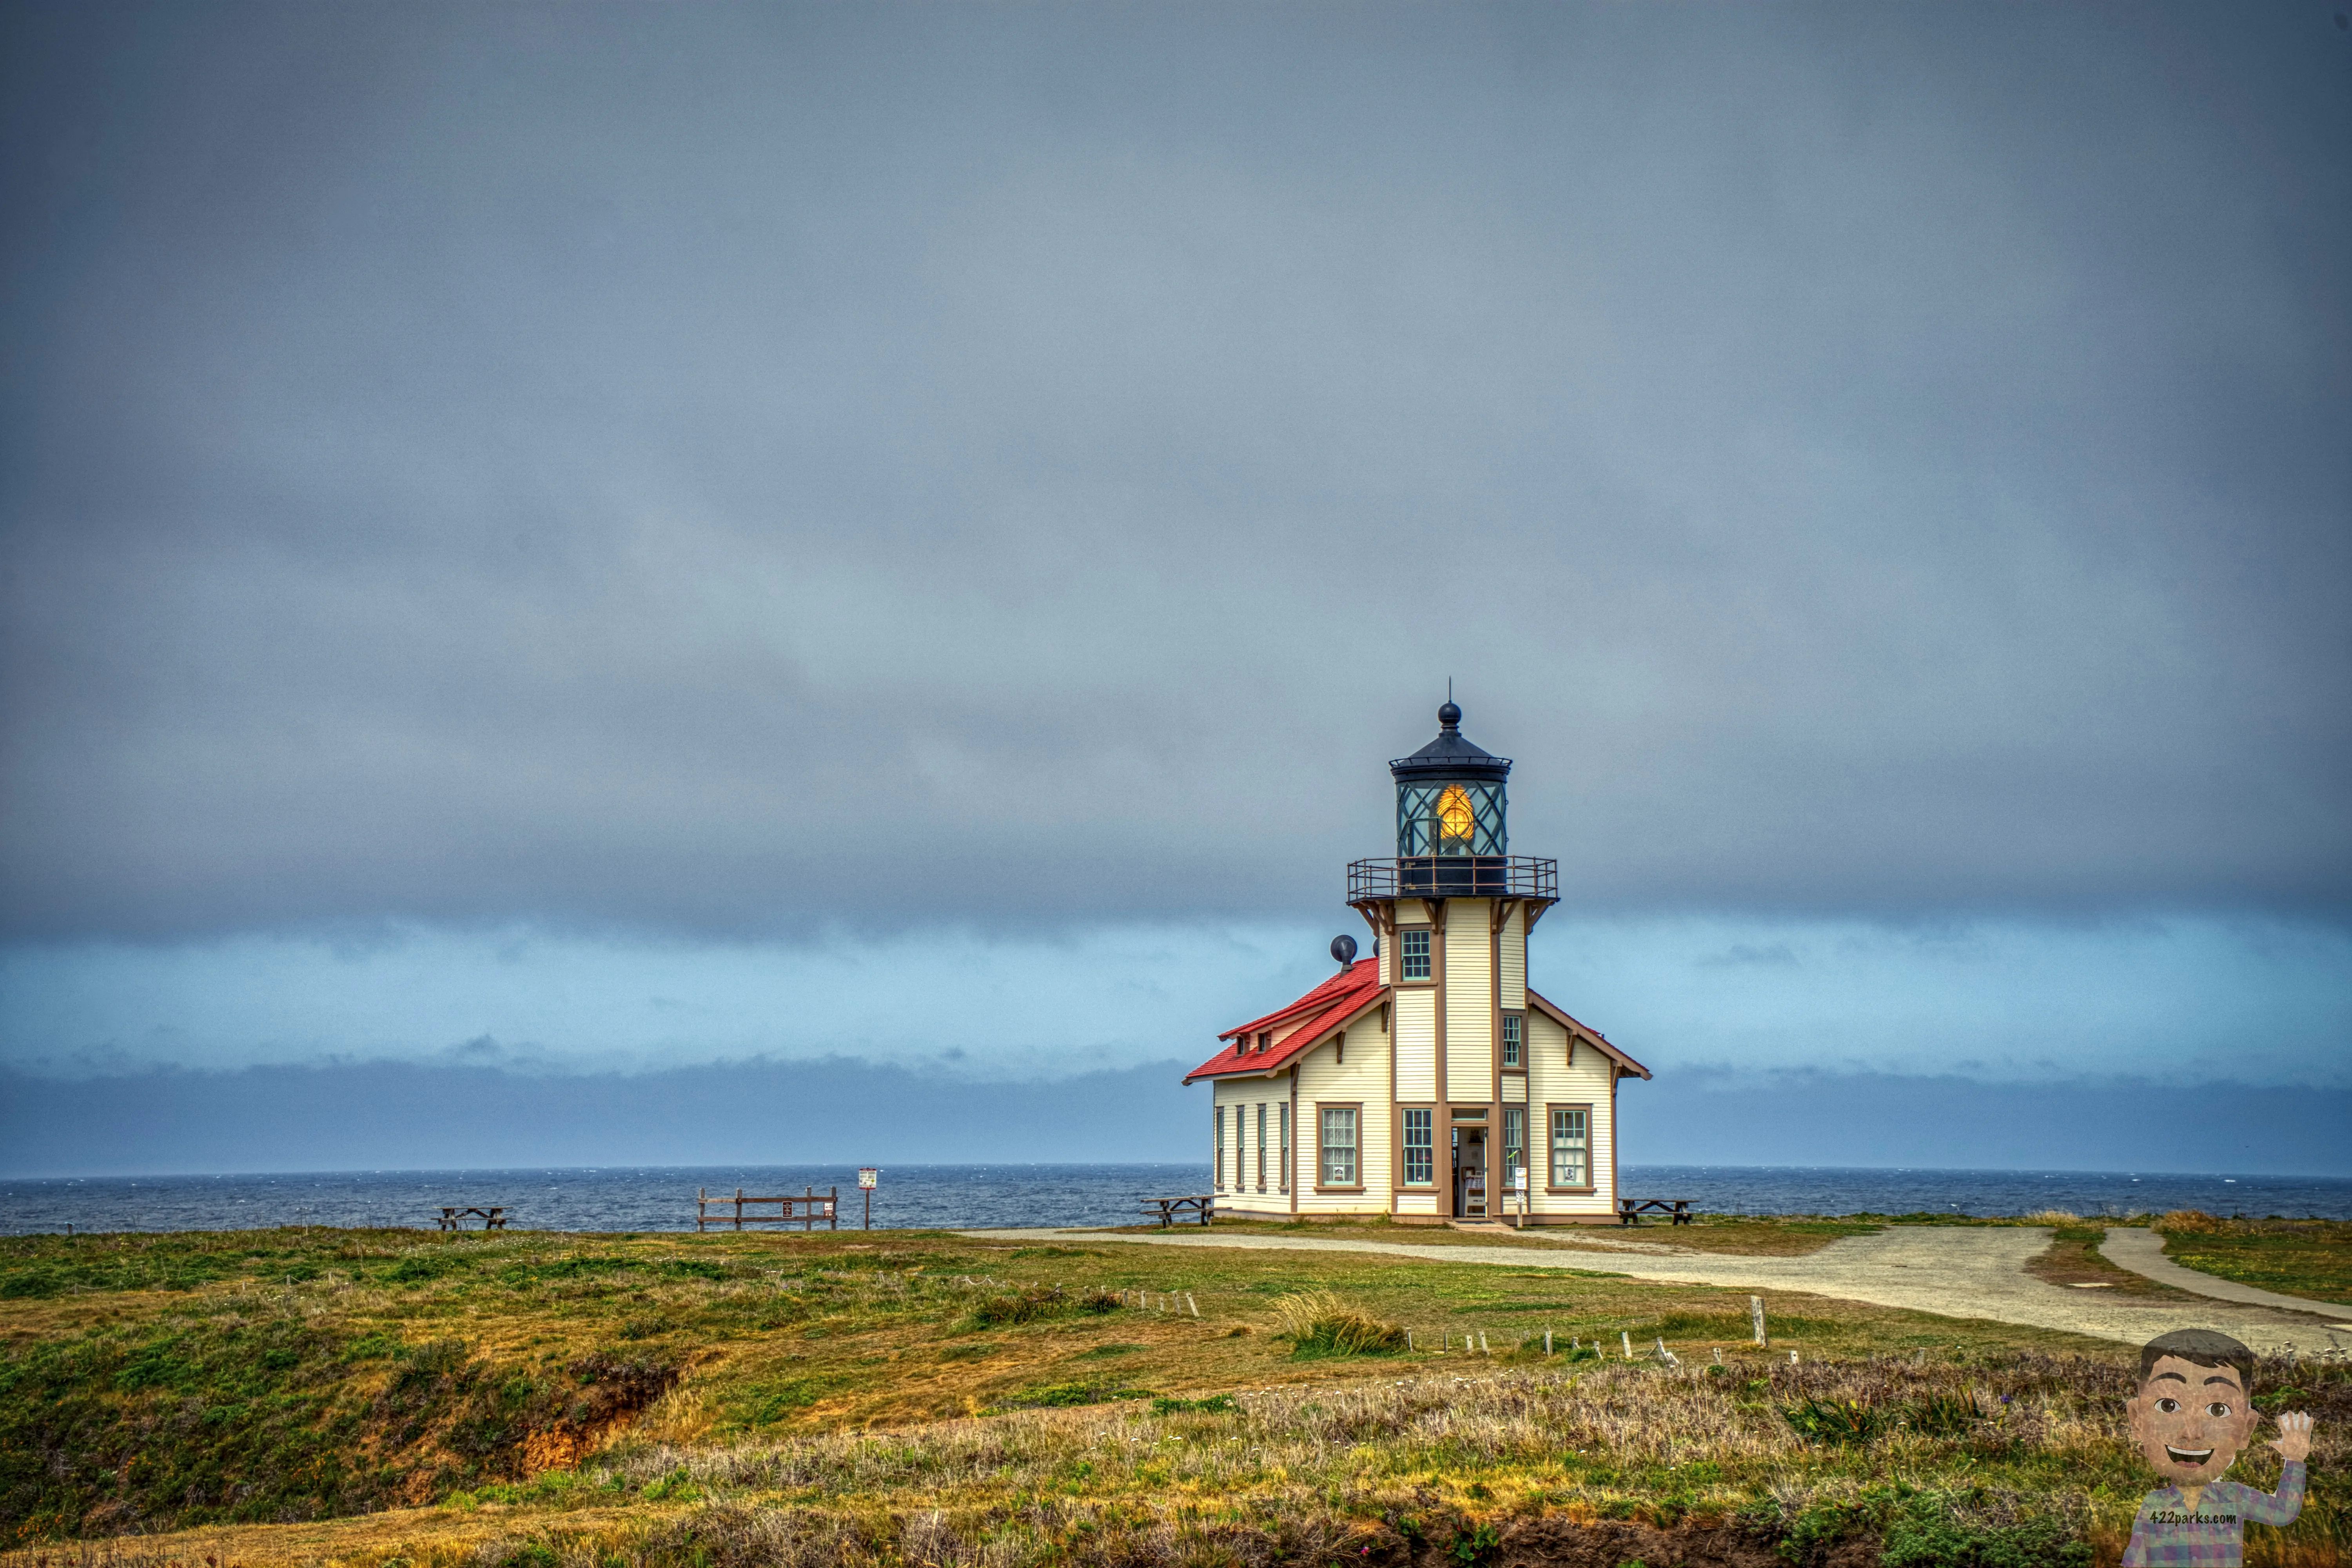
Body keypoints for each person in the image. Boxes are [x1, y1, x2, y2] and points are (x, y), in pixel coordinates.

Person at [2122, 1328, 2314, 1566]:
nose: (2192, 1434)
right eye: (2169, 1406)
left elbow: (2283, 1512)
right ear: (2137, 1420)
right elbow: (2136, 1558)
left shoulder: (2235, 1497)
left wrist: (2295, 1461)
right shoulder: (2154, 1505)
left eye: (2218, 1410)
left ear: (2246, 1429)